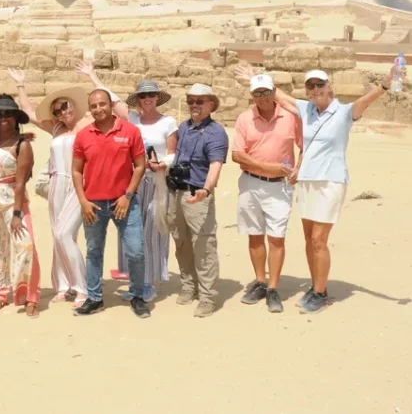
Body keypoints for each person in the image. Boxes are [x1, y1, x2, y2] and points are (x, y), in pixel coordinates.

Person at [236, 63, 403, 313]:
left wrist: (385, 85)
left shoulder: (345, 112)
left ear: (330, 86)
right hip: (307, 182)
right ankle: (315, 286)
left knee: (318, 240)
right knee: (308, 239)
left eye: (320, 85)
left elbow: (365, 101)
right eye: (310, 86)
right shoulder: (306, 110)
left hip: (330, 181)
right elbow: (276, 94)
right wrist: (256, 77)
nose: (315, 90)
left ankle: (321, 293)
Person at [8, 61, 127, 306]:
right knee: (57, 234)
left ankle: (82, 286)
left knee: (65, 234)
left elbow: (119, 108)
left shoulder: (88, 124)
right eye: (57, 110)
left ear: (74, 105)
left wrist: (93, 77)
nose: (62, 112)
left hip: (79, 185)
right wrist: (20, 84)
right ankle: (63, 285)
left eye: (65, 107)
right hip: (56, 184)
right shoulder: (57, 128)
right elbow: (29, 113)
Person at [71, 88, 150, 318]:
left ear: (110, 105)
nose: (98, 109)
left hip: (124, 201)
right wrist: (83, 201)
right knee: (94, 251)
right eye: (94, 106)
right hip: (93, 204)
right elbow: (76, 171)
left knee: (135, 252)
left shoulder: (130, 130)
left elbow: (139, 166)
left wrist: (127, 195)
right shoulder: (83, 135)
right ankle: (94, 298)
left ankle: (136, 295)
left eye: (102, 104)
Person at [231, 74, 302, 313]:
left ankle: (273, 287)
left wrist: (299, 168)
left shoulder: (290, 117)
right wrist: (268, 167)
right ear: (252, 95)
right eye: (257, 93)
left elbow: (305, 146)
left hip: (280, 186)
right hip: (251, 184)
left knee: (276, 237)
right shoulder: (244, 118)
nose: (261, 97)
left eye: (265, 92)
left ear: (274, 92)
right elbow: (237, 155)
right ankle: (260, 281)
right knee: (254, 235)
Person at [167, 83, 229, 318]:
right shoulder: (183, 127)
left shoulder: (215, 132)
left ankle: (207, 296)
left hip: (198, 194)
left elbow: (216, 163)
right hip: (178, 192)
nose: (194, 105)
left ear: (211, 104)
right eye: (191, 100)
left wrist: (207, 188)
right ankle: (188, 285)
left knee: (203, 246)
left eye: (199, 101)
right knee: (181, 242)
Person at [0, 94, 41, 317]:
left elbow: (21, 182)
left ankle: (29, 296)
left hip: (12, 198)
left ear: (16, 118)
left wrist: (17, 214)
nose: (3, 118)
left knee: (25, 246)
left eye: (8, 114)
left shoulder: (23, 145)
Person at [123, 80, 178, 302]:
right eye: (143, 95)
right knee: (132, 231)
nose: (147, 99)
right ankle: (136, 280)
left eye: (151, 95)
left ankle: (149, 282)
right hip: (134, 182)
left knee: (153, 232)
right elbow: (111, 101)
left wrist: (161, 164)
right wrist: (92, 76)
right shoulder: (132, 119)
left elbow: (173, 153)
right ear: (137, 99)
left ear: (157, 97)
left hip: (157, 180)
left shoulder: (168, 122)